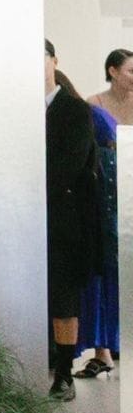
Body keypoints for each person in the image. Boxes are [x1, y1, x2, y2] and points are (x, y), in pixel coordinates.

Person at [46, 41, 100, 402]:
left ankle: (64, 375)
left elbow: (71, 165)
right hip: (17, 220)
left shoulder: (76, 109)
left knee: (63, 297)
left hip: (64, 220)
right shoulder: (11, 110)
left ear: (54, 61)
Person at [77, 48, 131, 378]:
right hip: (106, 195)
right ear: (112, 71)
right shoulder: (93, 105)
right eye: (131, 71)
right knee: (105, 267)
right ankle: (103, 350)